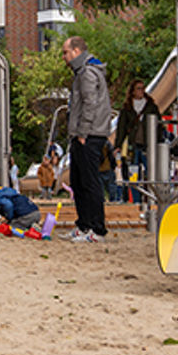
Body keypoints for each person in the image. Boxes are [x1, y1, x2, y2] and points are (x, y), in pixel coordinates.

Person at [62, 35, 111, 242]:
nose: (64, 57)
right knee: (78, 181)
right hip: (83, 134)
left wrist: (83, 132)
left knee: (90, 182)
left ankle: (97, 229)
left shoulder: (87, 73)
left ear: (76, 51)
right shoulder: (82, 71)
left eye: (65, 52)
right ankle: (83, 225)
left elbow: (89, 104)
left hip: (89, 135)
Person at [113, 79, 163, 193]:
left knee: (151, 172)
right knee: (133, 173)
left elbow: (159, 125)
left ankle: (152, 196)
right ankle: (135, 199)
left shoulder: (151, 106)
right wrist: (118, 145)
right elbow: (121, 128)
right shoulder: (127, 108)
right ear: (132, 91)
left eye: (143, 88)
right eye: (138, 88)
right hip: (133, 144)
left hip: (148, 144)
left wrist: (158, 142)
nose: (141, 91)